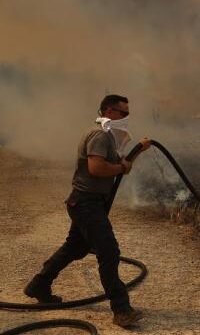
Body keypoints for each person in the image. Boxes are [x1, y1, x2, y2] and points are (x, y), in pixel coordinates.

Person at [24, 94, 151, 328]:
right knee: (109, 251)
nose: (126, 117)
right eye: (124, 113)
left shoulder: (107, 136)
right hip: (86, 203)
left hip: (87, 202)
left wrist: (137, 151)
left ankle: (39, 285)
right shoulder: (100, 135)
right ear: (110, 111)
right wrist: (121, 167)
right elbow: (97, 168)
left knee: (75, 247)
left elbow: (117, 164)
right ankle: (122, 310)